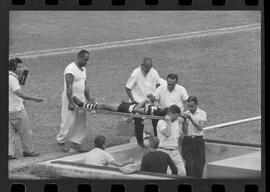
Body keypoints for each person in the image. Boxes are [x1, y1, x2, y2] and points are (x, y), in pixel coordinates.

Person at [56, 49, 93, 152]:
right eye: (85, 60)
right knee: (68, 120)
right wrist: (70, 102)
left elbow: (85, 85)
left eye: (87, 60)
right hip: (71, 97)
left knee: (81, 119)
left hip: (81, 97)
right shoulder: (70, 69)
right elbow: (68, 87)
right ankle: (60, 141)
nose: (86, 62)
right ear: (79, 57)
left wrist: (89, 98)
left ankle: (76, 142)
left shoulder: (83, 69)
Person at [9, 58, 44, 160]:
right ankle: (28, 151)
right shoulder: (12, 79)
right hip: (17, 110)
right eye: (19, 67)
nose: (21, 69)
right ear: (12, 67)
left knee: (10, 133)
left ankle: (9, 154)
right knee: (25, 131)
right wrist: (34, 98)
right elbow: (18, 92)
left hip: (8, 110)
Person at [125, 57, 161, 146]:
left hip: (151, 102)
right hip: (138, 102)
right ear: (142, 65)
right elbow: (128, 88)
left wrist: (155, 95)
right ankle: (140, 143)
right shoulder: (136, 73)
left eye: (150, 68)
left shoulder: (154, 72)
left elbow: (158, 85)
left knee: (156, 120)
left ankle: (157, 141)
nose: (148, 70)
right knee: (138, 123)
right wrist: (133, 101)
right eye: (146, 68)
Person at [156, 105, 186, 176]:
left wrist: (181, 124)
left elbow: (180, 137)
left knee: (183, 172)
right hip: (164, 151)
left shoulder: (176, 122)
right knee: (168, 174)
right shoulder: (161, 122)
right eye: (175, 116)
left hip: (175, 151)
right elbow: (167, 134)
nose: (176, 118)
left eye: (178, 116)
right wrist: (169, 122)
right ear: (170, 113)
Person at [181, 96, 207, 178]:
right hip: (187, 140)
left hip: (198, 140)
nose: (190, 108)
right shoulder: (185, 113)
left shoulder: (202, 113)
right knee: (189, 163)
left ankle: (197, 180)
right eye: (188, 106)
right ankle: (190, 180)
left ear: (196, 104)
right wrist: (185, 121)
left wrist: (191, 119)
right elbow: (184, 131)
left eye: (192, 106)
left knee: (200, 162)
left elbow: (200, 127)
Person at [72, 96, 168, 117]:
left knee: (105, 106)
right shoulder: (156, 109)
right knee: (105, 105)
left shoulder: (151, 111)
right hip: (129, 106)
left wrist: (145, 100)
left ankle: (83, 105)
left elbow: (137, 109)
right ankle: (92, 105)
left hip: (127, 109)